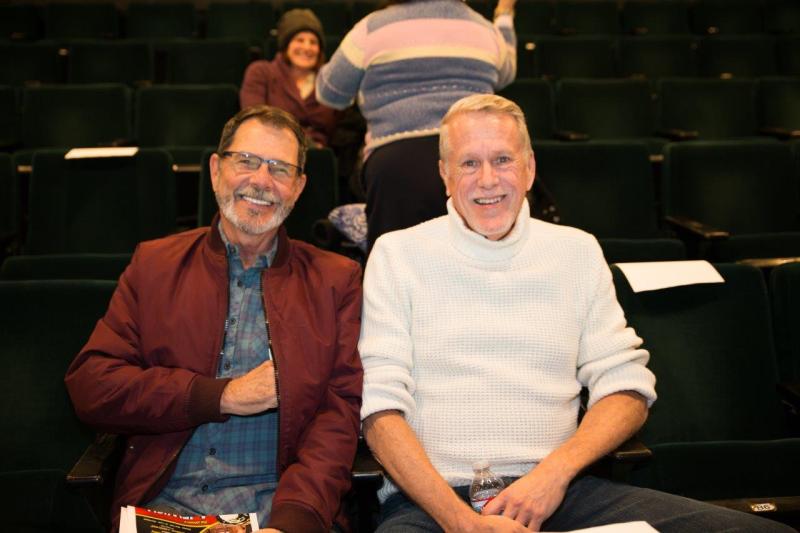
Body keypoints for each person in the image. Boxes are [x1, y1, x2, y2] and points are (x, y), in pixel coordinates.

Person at [357, 94, 795, 532]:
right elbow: (379, 412)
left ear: (529, 168)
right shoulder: (398, 255)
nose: (487, 180)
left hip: (563, 494)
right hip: (431, 505)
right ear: (445, 175)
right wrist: (460, 523)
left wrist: (554, 475)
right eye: (469, 163)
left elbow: (626, 388)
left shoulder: (577, 251)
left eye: (503, 159)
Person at [65, 105, 363, 533]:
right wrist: (220, 396)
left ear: (298, 188)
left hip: (277, 509)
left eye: (280, 169)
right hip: (163, 508)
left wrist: (295, 521)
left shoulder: (335, 281)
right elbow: (92, 385)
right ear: (216, 169)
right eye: (247, 161)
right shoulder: (154, 266)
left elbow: (338, 418)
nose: (261, 181)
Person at [316, 0, 517, 254]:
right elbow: (507, 72)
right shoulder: (485, 30)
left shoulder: (371, 28)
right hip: (471, 161)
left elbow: (330, 93)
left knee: (394, 270)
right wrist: (504, 15)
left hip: (396, 166)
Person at [240, 9, 339, 148]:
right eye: (300, 40)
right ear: (286, 45)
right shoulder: (261, 72)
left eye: (313, 42)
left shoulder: (331, 80)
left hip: (319, 156)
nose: (307, 47)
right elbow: (255, 119)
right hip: (271, 150)